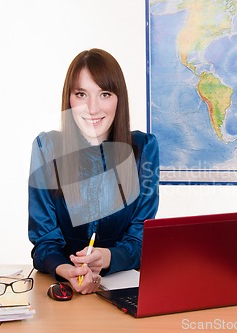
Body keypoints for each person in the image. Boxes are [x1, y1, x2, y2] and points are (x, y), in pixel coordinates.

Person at [28, 48, 159, 294]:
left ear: (119, 99)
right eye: (81, 94)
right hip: (64, 286)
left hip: (125, 288)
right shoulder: (47, 147)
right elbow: (44, 239)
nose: (92, 108)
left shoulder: (144, 149)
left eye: (105, 94)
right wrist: (67, 270)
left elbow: (142, 238)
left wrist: (108, 257)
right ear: (69, 98)